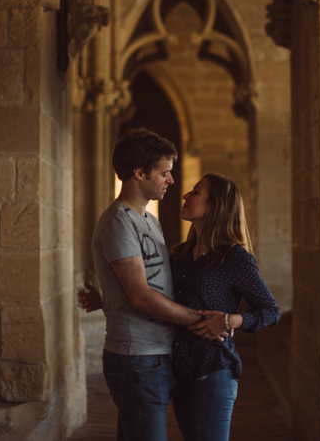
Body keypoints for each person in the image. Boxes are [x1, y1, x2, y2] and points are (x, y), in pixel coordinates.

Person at [82, 172, 280, 441]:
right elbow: (154, 296)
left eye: (196, 192)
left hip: (214, 369)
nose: (186, 195)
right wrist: (103, 301)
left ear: (216, 205)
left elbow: (270, 311)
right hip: (179, 372)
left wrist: (230, 321)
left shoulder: (234, 258)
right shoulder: (179, 254)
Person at [87, 129, 229, 441]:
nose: (171, 181)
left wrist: (106, 299)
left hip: (155, 354)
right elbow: (140, 297)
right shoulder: (118, 222)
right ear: (139, 173)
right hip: (137, 357)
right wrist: (203, 320)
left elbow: (150, 282)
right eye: (164, 173)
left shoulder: (148, 219)